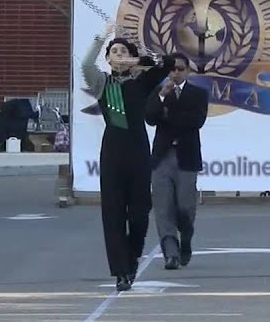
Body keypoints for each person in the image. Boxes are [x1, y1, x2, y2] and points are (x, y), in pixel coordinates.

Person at [80, 20, 173, 291]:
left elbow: (167, 64)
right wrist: (103, 35)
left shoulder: (141, 82)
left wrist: (140, 56)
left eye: (123, 51)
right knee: (113, 214)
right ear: (108, 59)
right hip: (112, 153)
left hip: (138, 151)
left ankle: (132, 259)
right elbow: (86, 64)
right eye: (114, 52)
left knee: (140, 214)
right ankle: (121, 271)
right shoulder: (102, 82)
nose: (119, 55)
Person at [144, 52, 209, 270]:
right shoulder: (158, 91)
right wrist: (162, 98)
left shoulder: (198, 93)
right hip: (162, 156)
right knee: (163, 207)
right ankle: (170, 253)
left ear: (188, 71)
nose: (176, 73)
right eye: (172, 69)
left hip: (186, 156)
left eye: (180, 69)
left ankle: (186, 237)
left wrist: (168, 114)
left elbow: (196, 121)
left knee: (185, 206)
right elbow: (150, 117)